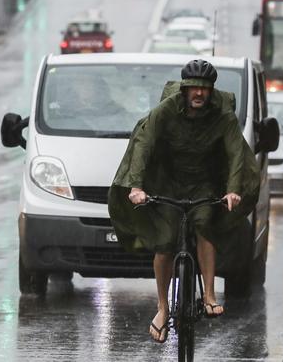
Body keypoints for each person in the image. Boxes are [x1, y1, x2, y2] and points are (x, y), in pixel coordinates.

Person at [108, 59, 260, 343]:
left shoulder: (223, 116)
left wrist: (233, 190)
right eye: (194, 88)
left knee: (205, 225)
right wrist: (137, 186)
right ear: (184, 90)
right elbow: (144, 144)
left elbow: (235, 154)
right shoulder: (166, 111)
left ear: (211, 91)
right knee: (165, 242)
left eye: (205, 89)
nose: (199, 94)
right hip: (168, 181)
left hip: (204, 182)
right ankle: (163, 308)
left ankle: (210, 295)